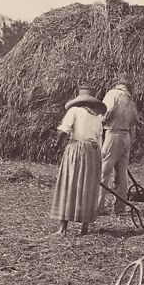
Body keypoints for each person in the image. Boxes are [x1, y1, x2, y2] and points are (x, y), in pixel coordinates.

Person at [49, 87, 106, 236]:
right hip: (93, 152)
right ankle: (84, 227)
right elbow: (100, 141)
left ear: (79, 102)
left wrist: (56, 144)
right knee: (88, 186)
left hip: (77, 149)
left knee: (69, 183)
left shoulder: (74, 111)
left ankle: (63, 228)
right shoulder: (97, 118)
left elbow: (64, 130)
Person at [101, 74, 138, 218]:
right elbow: (135, 119)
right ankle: (120, 208)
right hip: (126, 136)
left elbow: (106, 112)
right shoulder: (130, 99)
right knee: (122, 175)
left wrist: (102, 123)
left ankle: (99, 205)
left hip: (113, 134)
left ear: (117, 84)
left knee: (104, 171)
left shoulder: (112, 94)